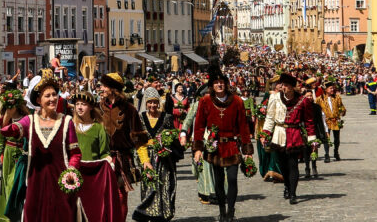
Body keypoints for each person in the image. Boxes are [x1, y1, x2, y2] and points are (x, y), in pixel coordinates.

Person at [0, 71, 81, 222]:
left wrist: (71, 170)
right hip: (35, 183)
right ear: (38, 100)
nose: (52, 99)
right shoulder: (30, 121)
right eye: (47, 96)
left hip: (60, 182)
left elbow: (75, 153)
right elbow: (7, 131)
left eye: (54, 94)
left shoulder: (66, 121)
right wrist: (8, 114)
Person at [192, 71, 252, 222]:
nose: (219, 85)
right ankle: (222, 211)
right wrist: (198, 148)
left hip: (231, 144)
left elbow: (243, 126)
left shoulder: (237, 101)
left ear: (226, 84)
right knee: (218, 181)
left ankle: (231, 210)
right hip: (214, 146)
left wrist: (247, 150)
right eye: (216, 82)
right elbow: (199, 125)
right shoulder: (205, 101)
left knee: (232, 179)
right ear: (212, 86)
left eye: (222, 82)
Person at [98, 72, 148, 221]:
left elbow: (138, 139)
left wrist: (145, 160)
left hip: (122, 159)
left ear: (113, 88)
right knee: (103, 197)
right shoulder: (97, 108)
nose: (101, 88)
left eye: (104, 86)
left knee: (120, 197)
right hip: (102, 159)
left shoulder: (130, 110)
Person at [262, 73, 315, 204]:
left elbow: (309, 120)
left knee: (293, 165)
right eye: (282, 85)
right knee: (283, 165)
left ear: (292, 87)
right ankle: (286, 185)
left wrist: (312, 138)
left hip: (294, 133)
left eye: (285, 85)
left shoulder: (303, 101)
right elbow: (270, 117)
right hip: (279, 133)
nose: (282, 87)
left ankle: (293, 193)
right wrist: (265, 133)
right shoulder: (275, 98)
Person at [132, 88, 182, 222]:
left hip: (165, 158)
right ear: (146, 103)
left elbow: (173, 137)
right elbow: (138, 141)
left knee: (165, 185)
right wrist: (144, 160)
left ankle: (163, 214)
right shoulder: (140, 118)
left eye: (155, 102)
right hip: (147, 156)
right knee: (149, 187)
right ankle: (148, 213)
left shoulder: (166, 117)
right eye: (150, 103)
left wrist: (167, 144)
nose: (153, 105)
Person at [71, 90, 119, 222]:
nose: (79, 107)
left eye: (83, 104)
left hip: (93, 177)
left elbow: (104, 152)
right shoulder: (70, 126)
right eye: (77, 104)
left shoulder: (98, 128)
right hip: (74, 174)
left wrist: (108, 160)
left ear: (91, 107)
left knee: (92, 209)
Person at [0, 84, 27, 222]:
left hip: (23, 155)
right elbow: (0, 142)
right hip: (8, 156)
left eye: (13, 104)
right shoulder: (2, 120)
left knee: (19, 187)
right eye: (9, 104)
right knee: (8, 187)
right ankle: (8, 218)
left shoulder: (26, 118)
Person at [318, 82, 346, 162]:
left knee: (337, 138)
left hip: (335, 120)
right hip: (326, 121)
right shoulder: (320, 99)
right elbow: (316, 109)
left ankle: (336, 152)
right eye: (330, 88)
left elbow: (342, 107)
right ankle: (327, 154)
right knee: (327, 138)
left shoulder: (337, 97)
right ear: (325, 90)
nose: (332, 89)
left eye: (333, 88)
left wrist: (342, 111)